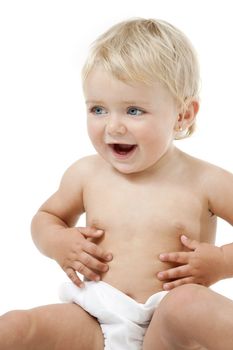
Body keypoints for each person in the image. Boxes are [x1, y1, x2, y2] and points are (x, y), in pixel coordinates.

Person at [1, 17, 233, 350]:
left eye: (134, 111)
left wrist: (223, 263)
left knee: (189, 306)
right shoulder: (85, 174)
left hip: (168, 327)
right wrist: (57, 242)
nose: (113, 126)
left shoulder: (207, 181)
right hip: (95, 317)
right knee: (17, 327)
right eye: (98, 109)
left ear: (183, 115)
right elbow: (46, 217)